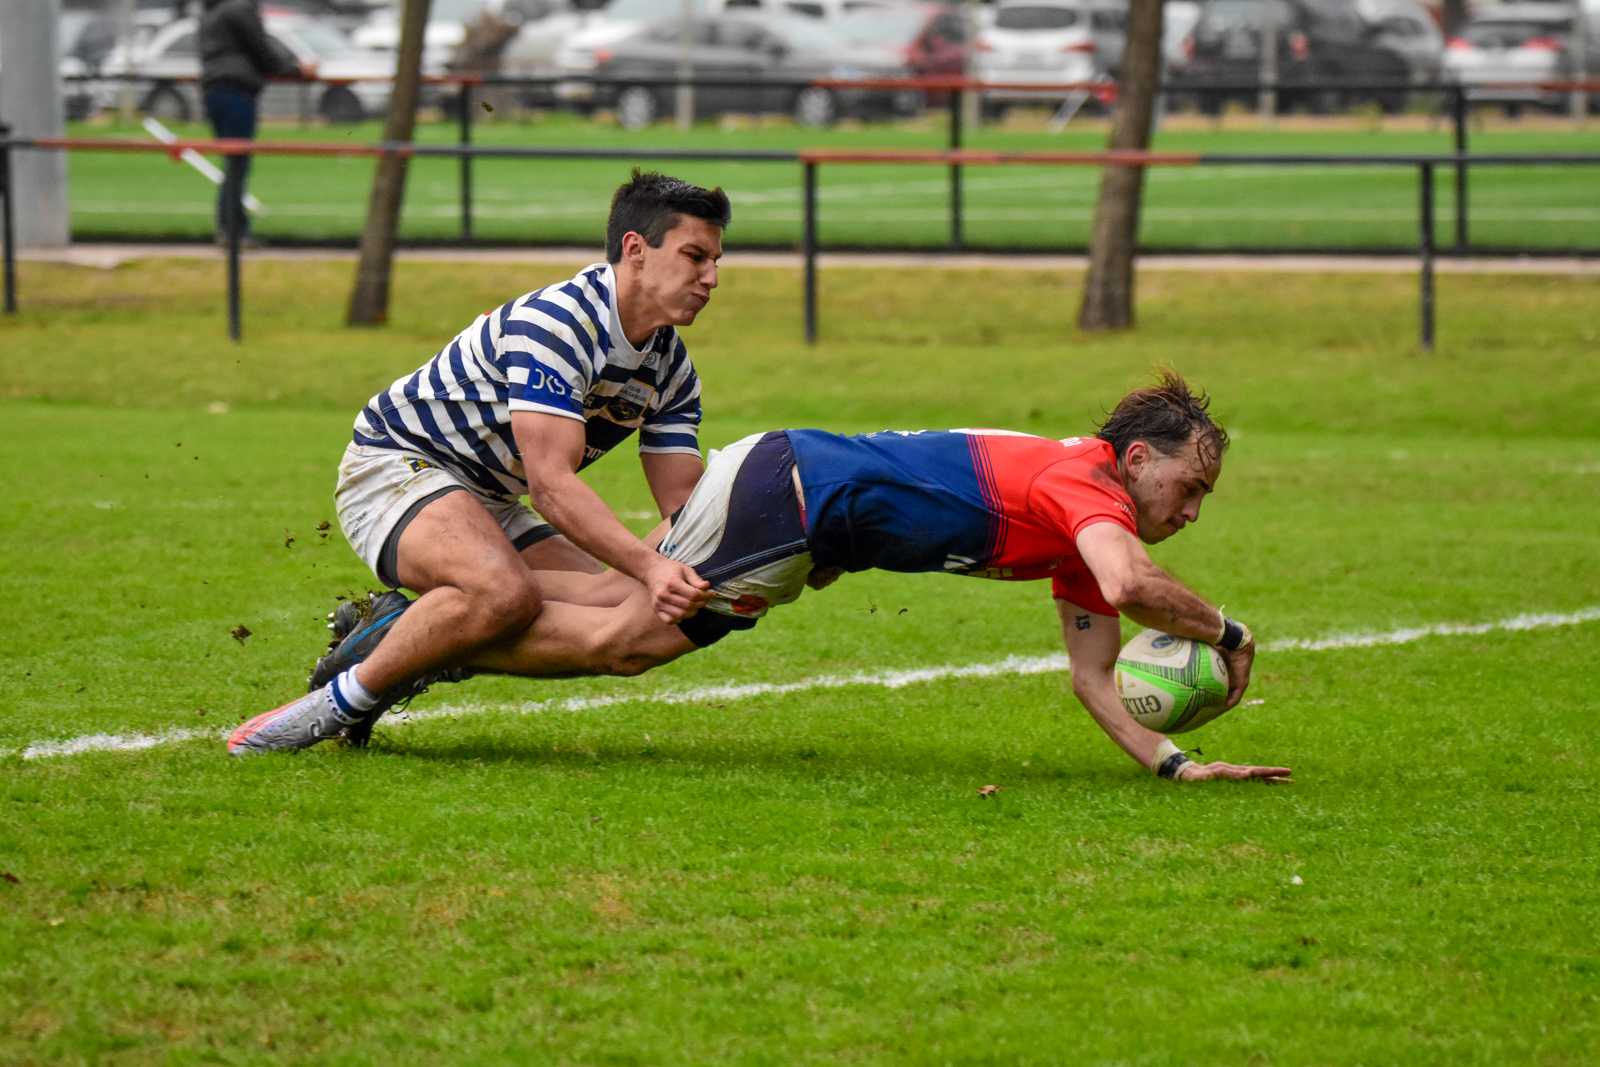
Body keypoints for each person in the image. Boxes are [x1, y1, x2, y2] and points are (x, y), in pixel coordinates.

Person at [231, 374, 1289, 784]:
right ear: (1136, 457)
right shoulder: (1088, 490)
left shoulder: (1081, 519)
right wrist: (1229, 634)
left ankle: (410, 633)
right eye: (1190, 485)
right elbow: (1139, 582)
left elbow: (1095, 678)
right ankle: (398, 652)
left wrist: (1174, 765)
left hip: (804, 502)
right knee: (630, 636)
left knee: (619, 620)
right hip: (798, 488)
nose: (1192, 509)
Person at [227, 171, 728, 753]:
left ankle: (401, 639)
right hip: (395, 466)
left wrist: (788, 541)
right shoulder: (559, 324)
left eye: (716, 261)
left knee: (613, 613)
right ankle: (330, 706)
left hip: (489, 499)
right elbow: (552, 487)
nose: (711, 278)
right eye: (695, 256)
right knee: (504, 595)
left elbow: (683, 507)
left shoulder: (671, 368)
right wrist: (651, 565)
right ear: (636, 250)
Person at [199, 0, 314, 243]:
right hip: (236, 91)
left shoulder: (213, 10)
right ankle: (233, 231)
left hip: (215, 90)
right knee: (237, 162)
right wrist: (297, 70)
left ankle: (231, 228)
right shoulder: (240, 9)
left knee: (233, 161)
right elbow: (262, 50)